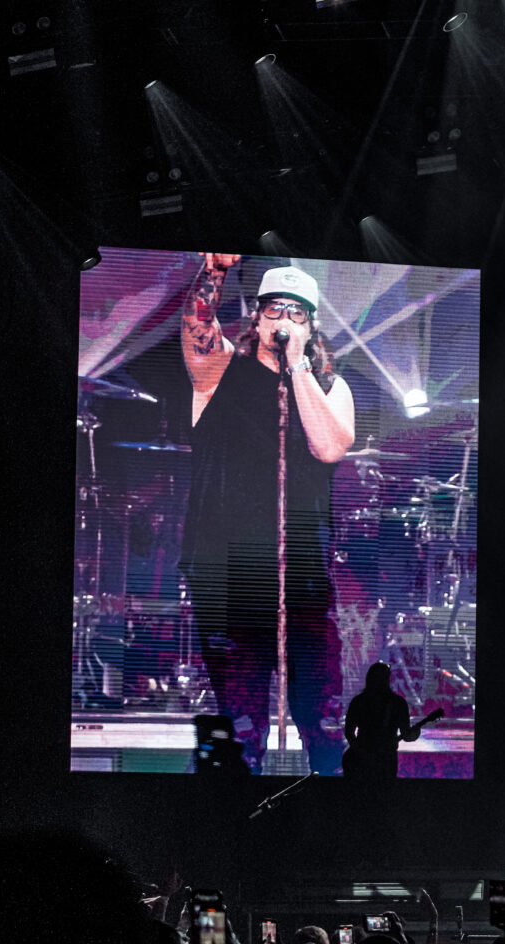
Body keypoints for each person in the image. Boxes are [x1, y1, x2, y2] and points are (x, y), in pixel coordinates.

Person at [180, 254, 355, 774]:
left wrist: (298, 365)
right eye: (274, 310)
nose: (284, 321)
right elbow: (198, 326)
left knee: (324, 725)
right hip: (229, 578)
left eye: (297, 314)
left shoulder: (330, 386)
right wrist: (211, 271)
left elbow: (329, 447)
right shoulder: (218, 371)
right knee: (242, 728)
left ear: (311, 325)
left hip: (302, 577)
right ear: (256, 317)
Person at [343, 662, 420, 779]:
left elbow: (349, 733)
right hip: (385, 760)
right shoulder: (398, 703)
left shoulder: (359, 701)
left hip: (368, 760)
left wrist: (360, 752)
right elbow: (407, 735)